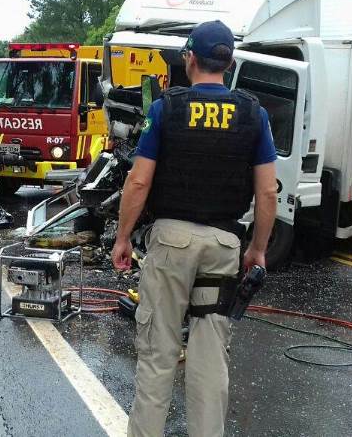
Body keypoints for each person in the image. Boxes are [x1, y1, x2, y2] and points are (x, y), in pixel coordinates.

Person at [111, 21, 278, 437]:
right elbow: (267, 193)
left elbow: (138, 181)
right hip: (223, 244)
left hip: (170, 242)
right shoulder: (253, 114)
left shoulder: (166, 109)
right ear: (230, 61)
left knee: (158, 355)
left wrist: (123, 236)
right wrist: (257, 248)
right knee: (209, 357)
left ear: (189, 59)